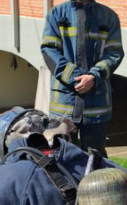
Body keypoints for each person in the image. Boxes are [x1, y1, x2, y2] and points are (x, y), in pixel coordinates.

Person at [41, 0, 122, 154]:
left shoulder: (109, 17)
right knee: (61, 156)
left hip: (96, 106)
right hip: (64, 105)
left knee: (95, 158)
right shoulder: (56, 14)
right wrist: (76, 77)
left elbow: (114, 53)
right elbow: (49, 50)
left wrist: (93, 77)